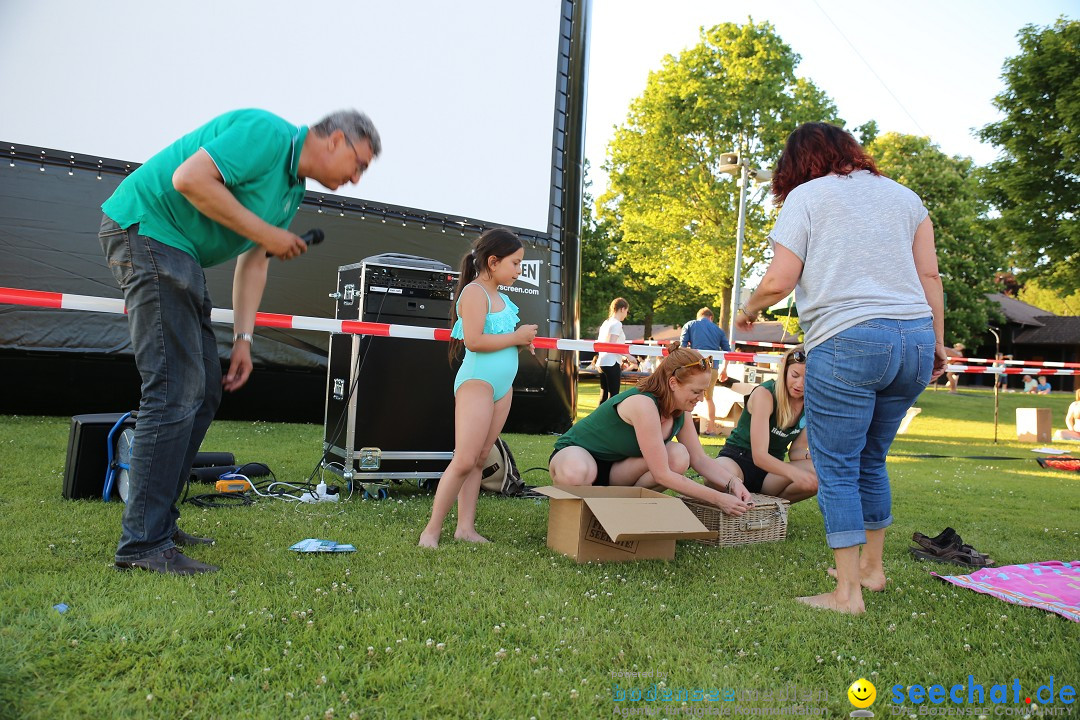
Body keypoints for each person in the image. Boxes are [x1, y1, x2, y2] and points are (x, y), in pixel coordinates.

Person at [100, 109, 381, 575]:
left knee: (204, 388)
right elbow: (189, 178)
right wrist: (267, 232)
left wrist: (245, 339)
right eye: (359, 164)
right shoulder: (266, 134)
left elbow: (255, 262)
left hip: (178, 251)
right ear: (334, 140)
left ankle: (159, 526)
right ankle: (142, 545)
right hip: (146, 230)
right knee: (173, 389)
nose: (356, 178)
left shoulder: (290, 193)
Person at [735, 122, 947, 614]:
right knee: (871, 460)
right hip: (913, 338)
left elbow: (778, 280)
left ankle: (846, 593)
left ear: (796, 163)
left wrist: (746, 310)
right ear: (849, 151)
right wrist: (937, 340)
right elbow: (929, 274)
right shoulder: (906, 198)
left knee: (836, 466)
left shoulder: (806, 198)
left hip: (848, 339)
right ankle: (871, 571)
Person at [419, 229, 538, 548]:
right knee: (464, 459)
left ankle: (465, 528)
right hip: (477, 383)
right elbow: (473, 341)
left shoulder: (503, 297)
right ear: (493, 261)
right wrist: (515, 338)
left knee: (481, 456)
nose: (518, 271)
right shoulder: (474, 293)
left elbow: (498, 341)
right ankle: (431, 531)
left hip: (502, 386)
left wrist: (521, 344)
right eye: (515, 263)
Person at [548, 346, 755, 516]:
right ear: (673, 383)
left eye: (703, 392)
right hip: (576, 456)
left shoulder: (679, 410)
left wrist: (732, 482)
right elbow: (661, 475)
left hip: (616, 470)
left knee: (679, 456)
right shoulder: (644, 404)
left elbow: (699, 459)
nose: (701, 398)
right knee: (577, 470)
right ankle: (579, 513)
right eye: (696, 391)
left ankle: (624, 510)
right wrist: (719, 498)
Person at [712, 345, 817, 503]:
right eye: (795, 375)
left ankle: (770, 508)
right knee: (722, 477)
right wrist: (794, 473)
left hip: (770, 474)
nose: (800, 384)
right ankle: (743, 501)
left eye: (807, 379)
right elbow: (759, 456)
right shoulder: (765, 393)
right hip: (737, 460)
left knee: (820, 473)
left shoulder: (810, 405)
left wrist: (816, 458)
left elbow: (797, 451)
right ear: (785, 371)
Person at [679, 308, 730, 434]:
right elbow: (728, 352)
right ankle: (711, 428)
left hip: (694, 365)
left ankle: (685, 428)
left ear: (699, 316)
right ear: (711, 318)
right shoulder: (718, 330)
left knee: (687, 395)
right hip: (712, 367)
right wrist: (724, 369)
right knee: (709, 398)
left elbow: (682, 347)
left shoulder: (690, 325)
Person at [596, 298, 630, 404]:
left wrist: (623, 356)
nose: (626, 314)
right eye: (626, 311)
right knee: (613, 396)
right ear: (622, 309)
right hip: (611, 363)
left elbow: (607, 344)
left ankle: (597, 420)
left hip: (602, 362)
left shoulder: (606, 323)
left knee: (604, 396)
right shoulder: (617, 324)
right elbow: (612, 345)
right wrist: (629, 356)